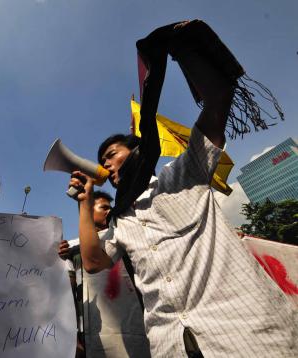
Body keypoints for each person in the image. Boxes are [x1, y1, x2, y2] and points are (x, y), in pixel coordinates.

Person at [68, 23, 297, 357]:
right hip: (172, 345)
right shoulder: (120, 220)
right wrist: (85, 201)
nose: (106, 164)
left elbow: (218, 98)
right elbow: (91, 262)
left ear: (137, 151)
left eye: (111, 155)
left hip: (250, 332)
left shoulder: (183, 174)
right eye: (101, 160)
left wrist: (180, 48)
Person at [59, 191, 150, 358]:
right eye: (104, 207)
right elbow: (67, 292)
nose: (109, 211)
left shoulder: (123, 239)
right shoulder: (72, 248)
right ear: (86, 210)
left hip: (135, 328)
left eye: (110, 208)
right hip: (89, 333)